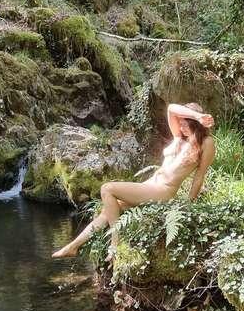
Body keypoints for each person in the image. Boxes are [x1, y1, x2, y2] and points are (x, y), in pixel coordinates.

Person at [52, 102, 215, 259]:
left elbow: (199, 176)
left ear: (195, 124)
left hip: (163, 191)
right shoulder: (179, 137)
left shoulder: (206, 143)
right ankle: (73, 246)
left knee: (107, 188)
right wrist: (197, 116)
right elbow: (172, 108)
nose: (181, 127)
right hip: (151, 185)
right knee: (108, 210)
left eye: (185, 124)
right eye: (180, 123)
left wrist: (188, 205)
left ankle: (115, 243)